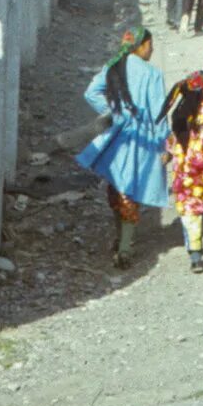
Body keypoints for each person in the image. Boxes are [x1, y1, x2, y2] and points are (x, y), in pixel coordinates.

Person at [77, 28, 169, 270]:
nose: (152, 49)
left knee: (117, 188)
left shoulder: (114, 67)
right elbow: (159, 113)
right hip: (142, 140)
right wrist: (164, 144)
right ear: (143, 45)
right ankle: (125, 249)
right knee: (131, 192)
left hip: (117, 137)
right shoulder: (153, 74)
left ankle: (120, 240)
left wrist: (115, 111)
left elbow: (91, 93)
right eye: (150, 44)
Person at [160, 71, 203, 274]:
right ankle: (195, 253)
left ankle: (193, 249)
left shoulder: (179, 112)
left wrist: (168, 155)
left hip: (181, 170)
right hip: (201, 170)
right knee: (197, 209)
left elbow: (173, 139)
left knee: (188, 211)